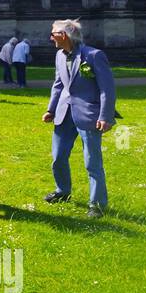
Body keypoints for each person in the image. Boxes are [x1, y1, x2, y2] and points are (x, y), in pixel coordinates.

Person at [42, 19, 116, 218]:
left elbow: (106, 89)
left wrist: (105, 116)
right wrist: (51, 109)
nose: (51, 37)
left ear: (64, 35)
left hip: (89, 115)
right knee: (58, 158)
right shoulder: (59, 55)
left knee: (92, 162)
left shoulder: (94, 55)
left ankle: (97, 204)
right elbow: (58, 84)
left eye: (53, 33)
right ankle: (62, 191)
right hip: (63, 113)